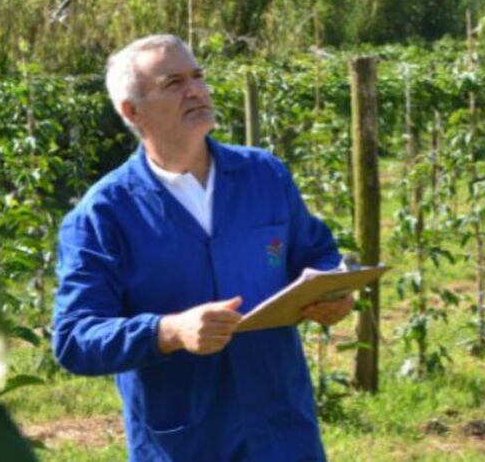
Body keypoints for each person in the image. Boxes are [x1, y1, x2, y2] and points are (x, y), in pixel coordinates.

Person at [52, 34, 354, 461]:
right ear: (132, 111)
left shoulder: (264, 175)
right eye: (173, 83)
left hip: (281, 429)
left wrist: (335, 290)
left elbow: (316, 252)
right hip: (186, 442)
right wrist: (168, 332)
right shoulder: (103, 215)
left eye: (197, 76)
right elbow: (75, 338)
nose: (196, 90)